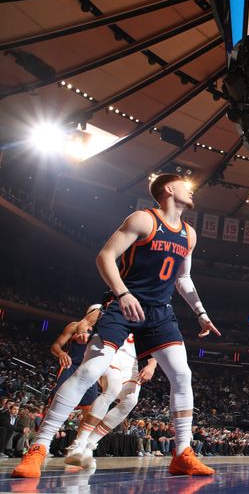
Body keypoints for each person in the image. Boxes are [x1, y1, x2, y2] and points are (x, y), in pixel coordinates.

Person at [12, 174, 221, 478]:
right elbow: (105, 256)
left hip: (160, 311)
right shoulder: (143, 219)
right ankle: (39, 448)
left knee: (182, 374)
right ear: (169, 189)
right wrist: (122, 293)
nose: (192, 190)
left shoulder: (189, 234)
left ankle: (182, 453)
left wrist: (201, 313)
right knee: (89, 371)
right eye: (185, 184)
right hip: (124, 305)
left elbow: (183, 278)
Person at [65, 303, 158, 468]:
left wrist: (151, 365)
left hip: (131, 361)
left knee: (130, 401)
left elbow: (153, 346)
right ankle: (78, 443)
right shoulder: (107, 305)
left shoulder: (144, 314)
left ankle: (89, 445)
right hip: (110, 351)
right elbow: (86, 321)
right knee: (113, 389)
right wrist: (82, 332)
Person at [46, 309, 101, 418]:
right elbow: (55, 346)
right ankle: (43, 427)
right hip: (71, 366)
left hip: (89, 370)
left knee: (90, 408)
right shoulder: (74, 326)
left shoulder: (103, 332)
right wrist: (61, 353)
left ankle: (82, 435)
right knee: (56, 400)